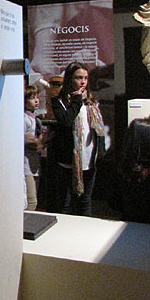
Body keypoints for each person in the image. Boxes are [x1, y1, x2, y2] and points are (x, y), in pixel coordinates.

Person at [51, 62, 106, 216]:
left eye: (85, 78)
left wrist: (101, 152)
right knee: (65, 203)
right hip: (68, 161)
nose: (83, 82)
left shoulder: (91, 103)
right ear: (69, 79)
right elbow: (66, 121)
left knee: (85, 201)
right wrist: (76, 99)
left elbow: (98, 130)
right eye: (79, 78)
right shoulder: (59, 101)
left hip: (89, 159)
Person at [24, 85, 43, 211]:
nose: (36, 100)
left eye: (37, 97)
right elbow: (25, 139)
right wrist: (37, 141)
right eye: (32, 98)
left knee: (34, 198)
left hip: (34, 163)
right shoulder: (23, 118)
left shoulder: (35, 118)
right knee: (31, 201)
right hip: (25, 164)